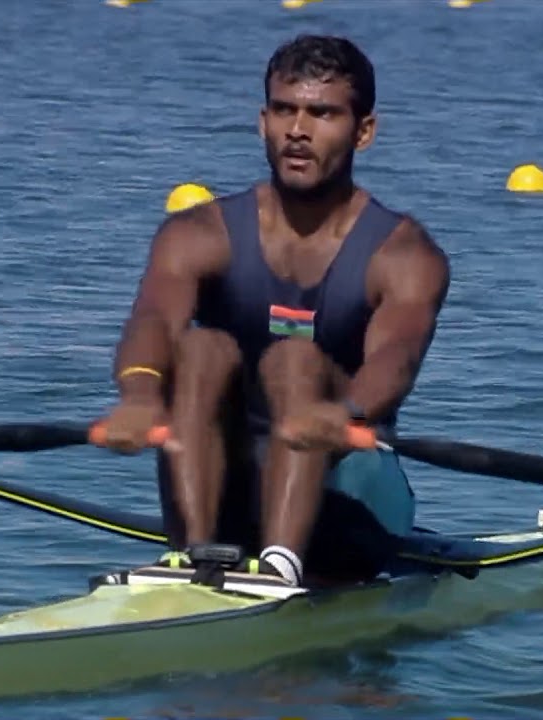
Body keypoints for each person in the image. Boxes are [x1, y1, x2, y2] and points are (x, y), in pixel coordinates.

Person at [96, 34, 450, 588]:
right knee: (198, 347)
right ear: (262, 121)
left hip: (349, 501)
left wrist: (349, 411)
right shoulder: (198, 233)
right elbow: (153, 321)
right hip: (232, 499)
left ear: (364, 131)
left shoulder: (403, 254)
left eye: (322, 113)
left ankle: (281, 565)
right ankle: (194, 556)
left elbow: (398, 356)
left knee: (296, 363)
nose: (298, 130)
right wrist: (140, 396)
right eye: (284, 110)